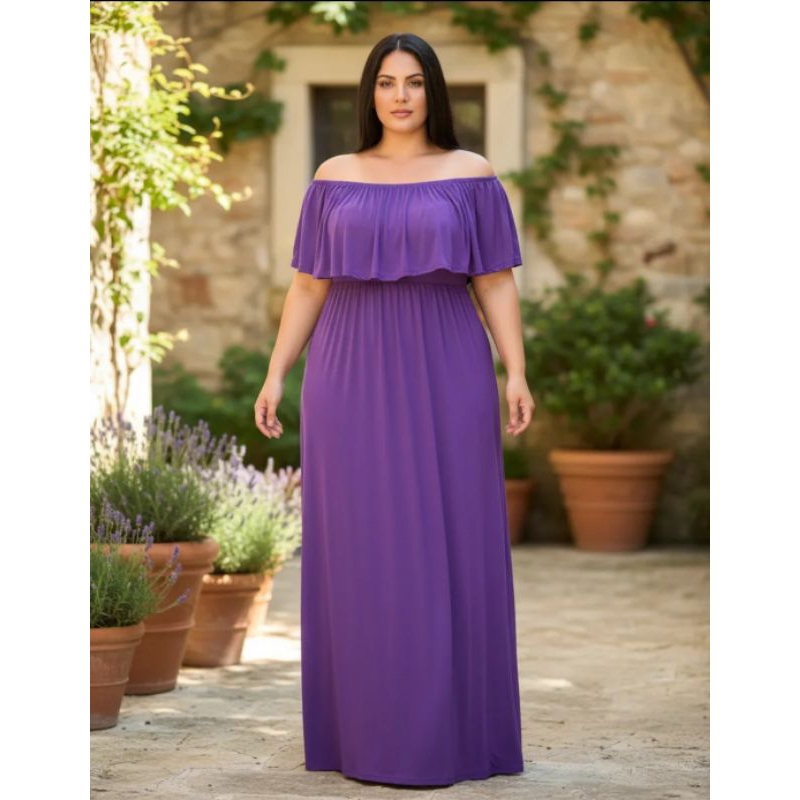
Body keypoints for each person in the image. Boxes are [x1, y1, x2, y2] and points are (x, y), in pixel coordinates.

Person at [254, 32, 535, 788]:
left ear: (433, 90)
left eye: (413, 82)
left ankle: (454, 735)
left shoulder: (471, 175)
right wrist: (277, 373)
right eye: (386, 82)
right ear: (369, 92)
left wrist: (515, 371)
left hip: (449, 364)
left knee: (454, 540)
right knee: (359, 547)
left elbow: (495, 280)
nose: (400, 96)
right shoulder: (333, 177)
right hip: (347, 370)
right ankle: (364, 735)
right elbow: (308, 283)